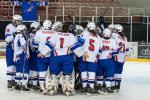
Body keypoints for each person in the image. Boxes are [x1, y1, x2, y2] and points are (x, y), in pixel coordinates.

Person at [32, 20, 55, 92]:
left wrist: (38, 52)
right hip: (52, 55)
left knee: (42, 72)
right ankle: (51, 86)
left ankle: (42, 87)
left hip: (41, 55)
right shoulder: (54, 33)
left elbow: (34, 44)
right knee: (52, 72)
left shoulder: (39, 32)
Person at [78, 22, 101, 94]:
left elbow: (79, 42)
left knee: (84, 72)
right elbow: (100, 50)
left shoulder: (84, 33)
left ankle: (84, 87)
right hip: (93, 57)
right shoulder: (98, 36)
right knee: (91, 72)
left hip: (84, 55)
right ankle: (91, 87)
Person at [5, 14, 22, 89]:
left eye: (20, 21)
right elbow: (7, 39)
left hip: (18, 49)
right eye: (18, 21)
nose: (19, 22)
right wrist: (15, 35)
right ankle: (9, 80)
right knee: (10, 65)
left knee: (16, 65)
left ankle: (14, 80)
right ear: (14, 20)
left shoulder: (21, 27)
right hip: (10, 48)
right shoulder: (9, 26)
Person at [13, 24, 30, 91]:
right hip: (22, 54)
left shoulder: (17, 35)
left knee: (18, 70)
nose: (25, 31)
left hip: (17, 55)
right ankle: (23, 85)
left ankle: (17, 83)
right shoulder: (20, 36)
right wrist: (25, 38)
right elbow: (20, 44)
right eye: (24, 30)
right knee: (24, 70)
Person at [113, 24, 129, 92]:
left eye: (115, 29)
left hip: (116, 55)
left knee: (114, 71)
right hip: (122, 57)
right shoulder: (125, 37)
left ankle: (113, 85)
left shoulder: (114, 35)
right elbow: (127, 49)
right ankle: (118, 85)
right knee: (119, 72)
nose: (114, 30)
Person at [28, 21, 41, 90]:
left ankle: (30, 81)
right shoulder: (37, 34)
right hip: (35, 53)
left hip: (30, 52)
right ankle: (34, 83)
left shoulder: (28, 34)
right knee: (35, 68)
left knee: (30, 68)